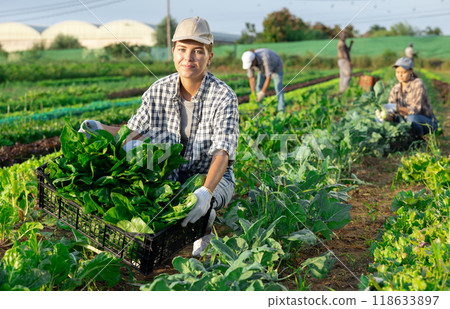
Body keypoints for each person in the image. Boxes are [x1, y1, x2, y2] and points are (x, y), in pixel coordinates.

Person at [79, 16, 239, 257]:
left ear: (209, 56)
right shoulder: (159, 90)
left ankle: (205, 224)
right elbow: (134, 131)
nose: (189, 57)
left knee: (199, 203)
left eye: (198, 51)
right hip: (169, 175)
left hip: (212, 178)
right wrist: (98, 128)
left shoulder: (224, 96)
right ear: (173, 51)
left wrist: (205, 191)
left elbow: (222, 153)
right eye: (182, 49)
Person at [377, 57, 438, 138]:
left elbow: (415, 110)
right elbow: (393, 115)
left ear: (410, 71)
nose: (400, 75)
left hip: (426, 121)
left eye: (403, 72)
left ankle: (420, 139)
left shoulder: (417, 84)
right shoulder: (395, 89)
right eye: (397, 72)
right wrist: (385, 116)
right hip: (405, 121)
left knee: (411, 119)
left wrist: (396, 108)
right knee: (379, 120)